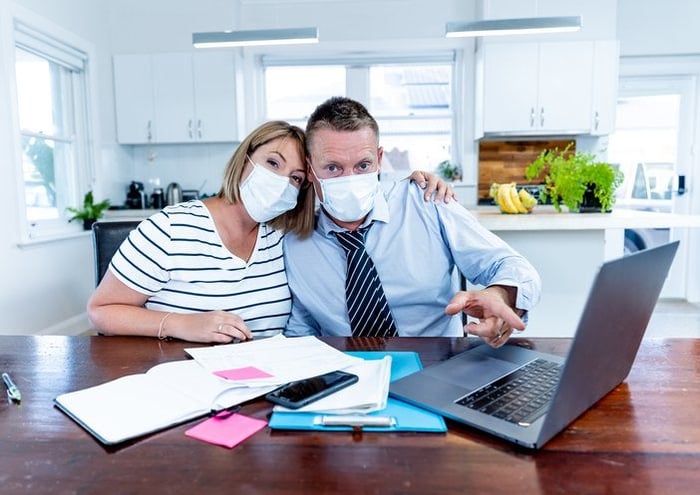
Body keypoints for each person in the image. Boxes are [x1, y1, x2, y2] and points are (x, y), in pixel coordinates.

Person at [87, 120, 454, 344]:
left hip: (261, 388)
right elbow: (101, 311)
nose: (281, 182)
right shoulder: (170, 228)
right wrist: (183, 324)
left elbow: (350, 181)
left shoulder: (284, 239)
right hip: (175, 376)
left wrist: (408, 182)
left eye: (295, 177)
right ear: (244, 159)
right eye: (272, 163)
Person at [283, 97, 541, 348]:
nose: (350, 179)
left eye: (363, 165)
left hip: (437, 366)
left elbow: (512, 266)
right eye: (333, 168)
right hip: (348, 374)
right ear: (309, 168)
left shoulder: (427, 201)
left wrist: (500, 295)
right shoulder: (295, 242)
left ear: (379, 158)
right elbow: (303, 329)